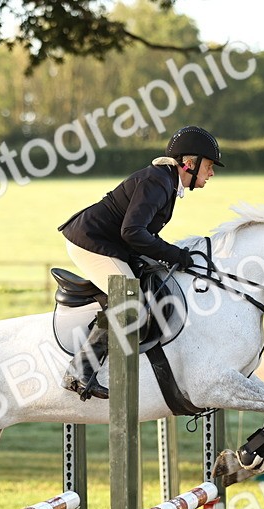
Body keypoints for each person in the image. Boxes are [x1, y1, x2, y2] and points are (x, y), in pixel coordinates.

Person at [57, 125, 223, 399]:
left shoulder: (166, 181)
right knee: (129, 298)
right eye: (209, 165)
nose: (212, 172)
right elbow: (133, 232)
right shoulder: (158, 182)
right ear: (189, 164)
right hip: (90, 242)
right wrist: (174, 254)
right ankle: (80, 369)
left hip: (110, 242)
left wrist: (169, 255)